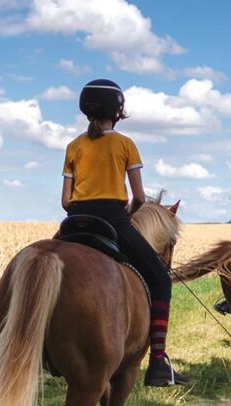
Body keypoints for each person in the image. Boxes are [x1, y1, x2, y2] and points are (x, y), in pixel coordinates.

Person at [61, 79, 188, 387]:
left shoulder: (74, 146)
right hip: (113, 221)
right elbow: (141, 198)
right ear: (116, 112)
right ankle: (157, 362)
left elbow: (65, 201)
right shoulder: (125, 144)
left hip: (73, 223)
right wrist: (129, 213)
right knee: (159, 278)